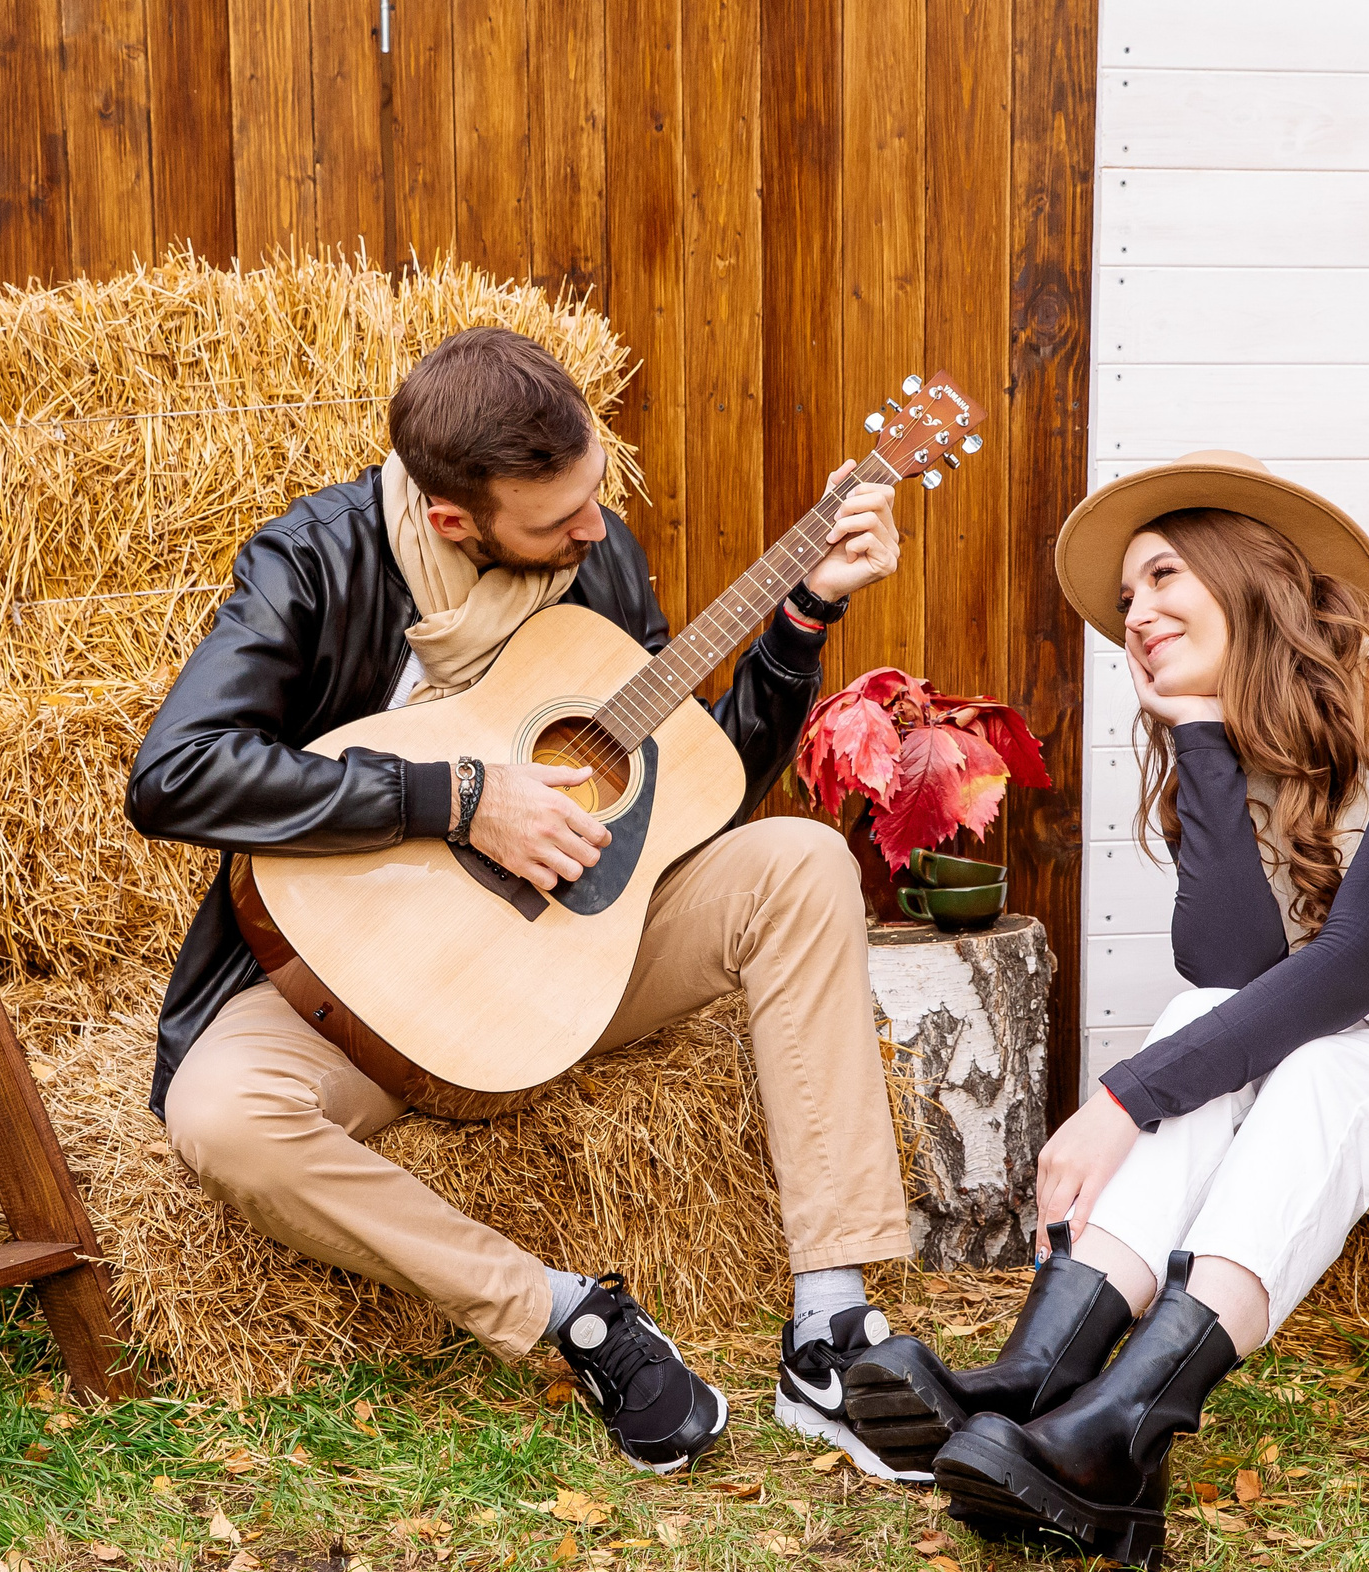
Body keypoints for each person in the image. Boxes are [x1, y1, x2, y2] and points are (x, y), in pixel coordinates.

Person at [844, 450, 1369, 1565]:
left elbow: (1347, 972)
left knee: (1315, 1071)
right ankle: (1038, 1376)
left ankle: (1126, 1435)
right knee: (1202, 1016)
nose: (1138, 614)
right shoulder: (1267, 730)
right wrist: (1201, 739)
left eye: (1163, 577)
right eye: (1125, 602)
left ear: (1248, 569)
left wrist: (1118, 1101)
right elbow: (1235, 968)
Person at [127, 327, 921, 1478]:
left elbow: (694, 787)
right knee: (222, 1121)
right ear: (453, 519)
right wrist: (458, 796)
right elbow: (177, 774)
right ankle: (567, 1318)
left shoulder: (597, 557)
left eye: (596, 493)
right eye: (555, 522)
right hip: (353, 990)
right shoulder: (315, 564)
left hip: (570, 964)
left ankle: (831, 1327)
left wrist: (803, 616)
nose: (592, 532)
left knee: (799, 859)